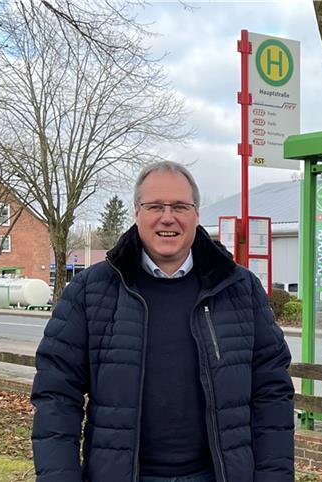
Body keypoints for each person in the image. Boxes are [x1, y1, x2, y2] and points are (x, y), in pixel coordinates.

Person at [31, 161, 294, 482]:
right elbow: (57, 394)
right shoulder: (91, 291)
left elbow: (272, 395)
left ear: (196, 215)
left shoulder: (239, 289)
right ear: (137, 212)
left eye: (180, 206)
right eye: (155, 206)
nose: (167, 217)